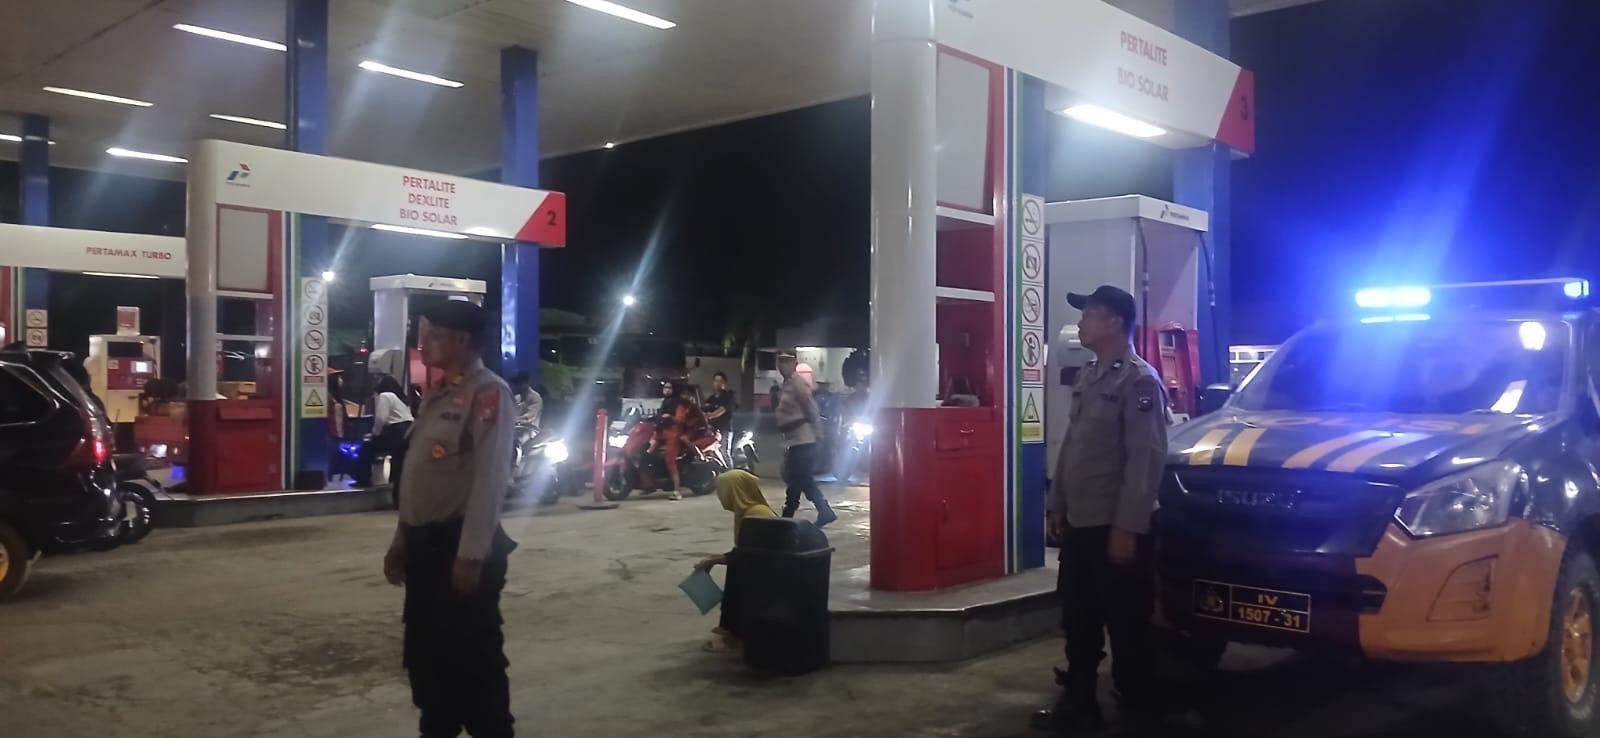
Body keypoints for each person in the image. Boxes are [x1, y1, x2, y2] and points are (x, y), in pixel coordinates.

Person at [1030, 285, 1175, 737]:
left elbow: (1145, 460)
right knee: (1079, 618)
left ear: (1114, 322)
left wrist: (1127, 527)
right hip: (1082, 523)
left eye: (1090, 314)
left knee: (1128, 623)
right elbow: (1073, 446)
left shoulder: (1139, 381)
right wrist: (1057, 505)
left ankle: (1139, 709)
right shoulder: (1090, 376)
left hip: (1115, 526)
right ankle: (1081, 701)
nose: (1081, 322)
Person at [382, 300, 518, 738]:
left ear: (462, 340)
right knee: (429, 666)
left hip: (458, 550)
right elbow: (420, 479)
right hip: (425, 550)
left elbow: (490, 479)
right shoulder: (438, 395)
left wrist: (471, 554)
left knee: (475, 668)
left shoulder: (488, 393)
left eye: (433, 335)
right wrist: (402, 540)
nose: (423, 343)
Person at [694, 469, 776, 652]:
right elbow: (747, 552)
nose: (720, 496)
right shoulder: (746, 512)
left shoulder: (756, 515)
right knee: (737, 566)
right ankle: (730, 628)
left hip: (772, 572)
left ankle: (735, 636)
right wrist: (714, 560)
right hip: (765, 565)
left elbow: (751, 556)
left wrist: (713, 561)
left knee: (737, 571)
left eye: (722, 491)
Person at [774, 353, 835, 527]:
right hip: (793, 440)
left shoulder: (798, 384)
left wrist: (818, 435)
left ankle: (787, 517)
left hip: (804, 440)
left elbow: (811, 409)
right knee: (803, 480)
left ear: (795, 363)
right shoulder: (786, 384)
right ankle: (824, 511)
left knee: (795, 480)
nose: (783, 365)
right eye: (780, 361)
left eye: (787, 361)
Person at [358, 374, 413, 504]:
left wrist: (374, 433)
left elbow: (381, 418)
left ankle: (363, 479)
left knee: (367, 447)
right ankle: (398, 499)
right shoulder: (401, 398)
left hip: (395, 432)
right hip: (408, 431)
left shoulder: (385, 395)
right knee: (399, 463)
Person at [702, 371, 738, 459]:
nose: (718, 383)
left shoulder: (729, 396)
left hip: (725, 429)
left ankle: (729, 468)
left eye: (720, 381)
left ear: (725, 384)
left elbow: (722, 410)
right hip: (713, 430)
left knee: (724, 453)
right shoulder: (711, 399)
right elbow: (702, 410)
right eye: (716, 381)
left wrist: (709, 416)